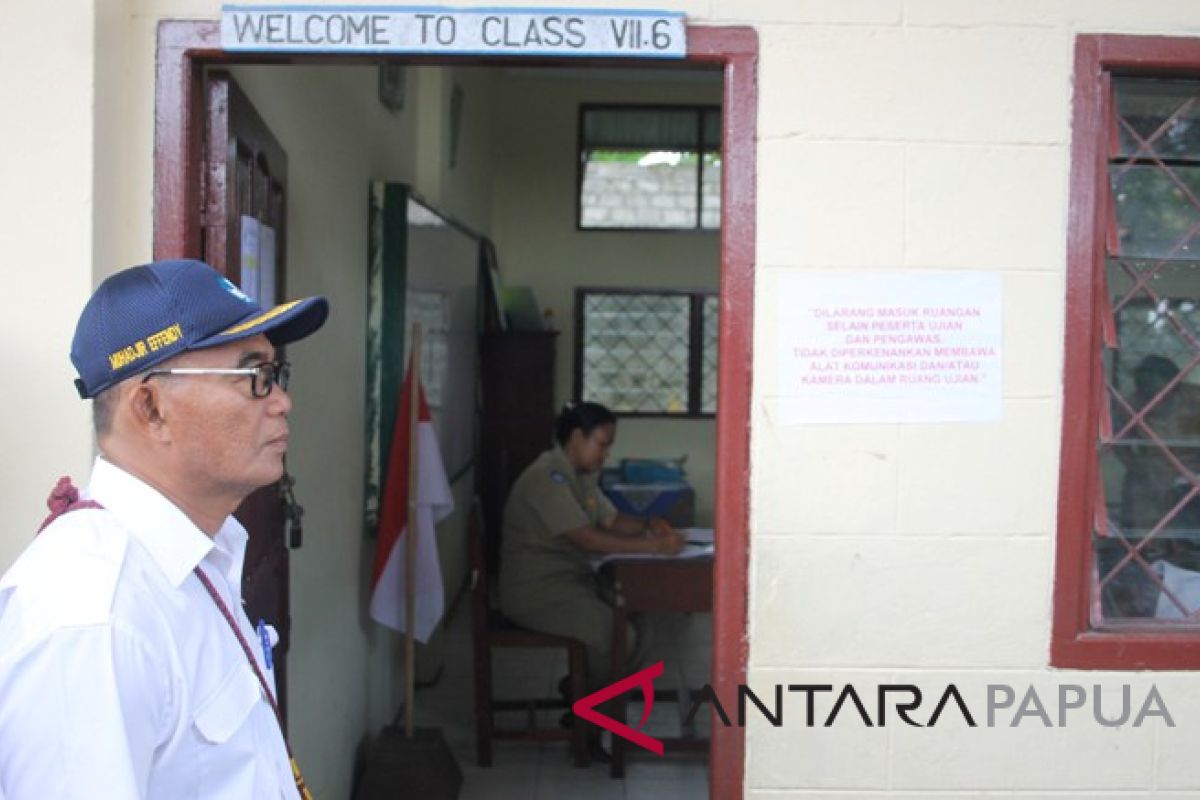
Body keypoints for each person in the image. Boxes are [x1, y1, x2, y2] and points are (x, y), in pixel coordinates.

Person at [0, 259, 328, 799]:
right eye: (255, 377)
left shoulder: (200, 555)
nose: (282, 402)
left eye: (279, 376)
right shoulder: (90, 619)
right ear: (151, 407)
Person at [498, 401, 684, 698]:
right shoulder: (547, 476)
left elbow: (611, 521)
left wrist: (650, 524)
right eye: (602, 444)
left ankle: (587, 696)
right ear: (576, 438)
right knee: (614, 634)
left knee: (639, 625)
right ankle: (589, 714)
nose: (606, 454)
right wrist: (656, 547)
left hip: (572, 582)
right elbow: (588, 539)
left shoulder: (581, 476)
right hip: (536, 591)